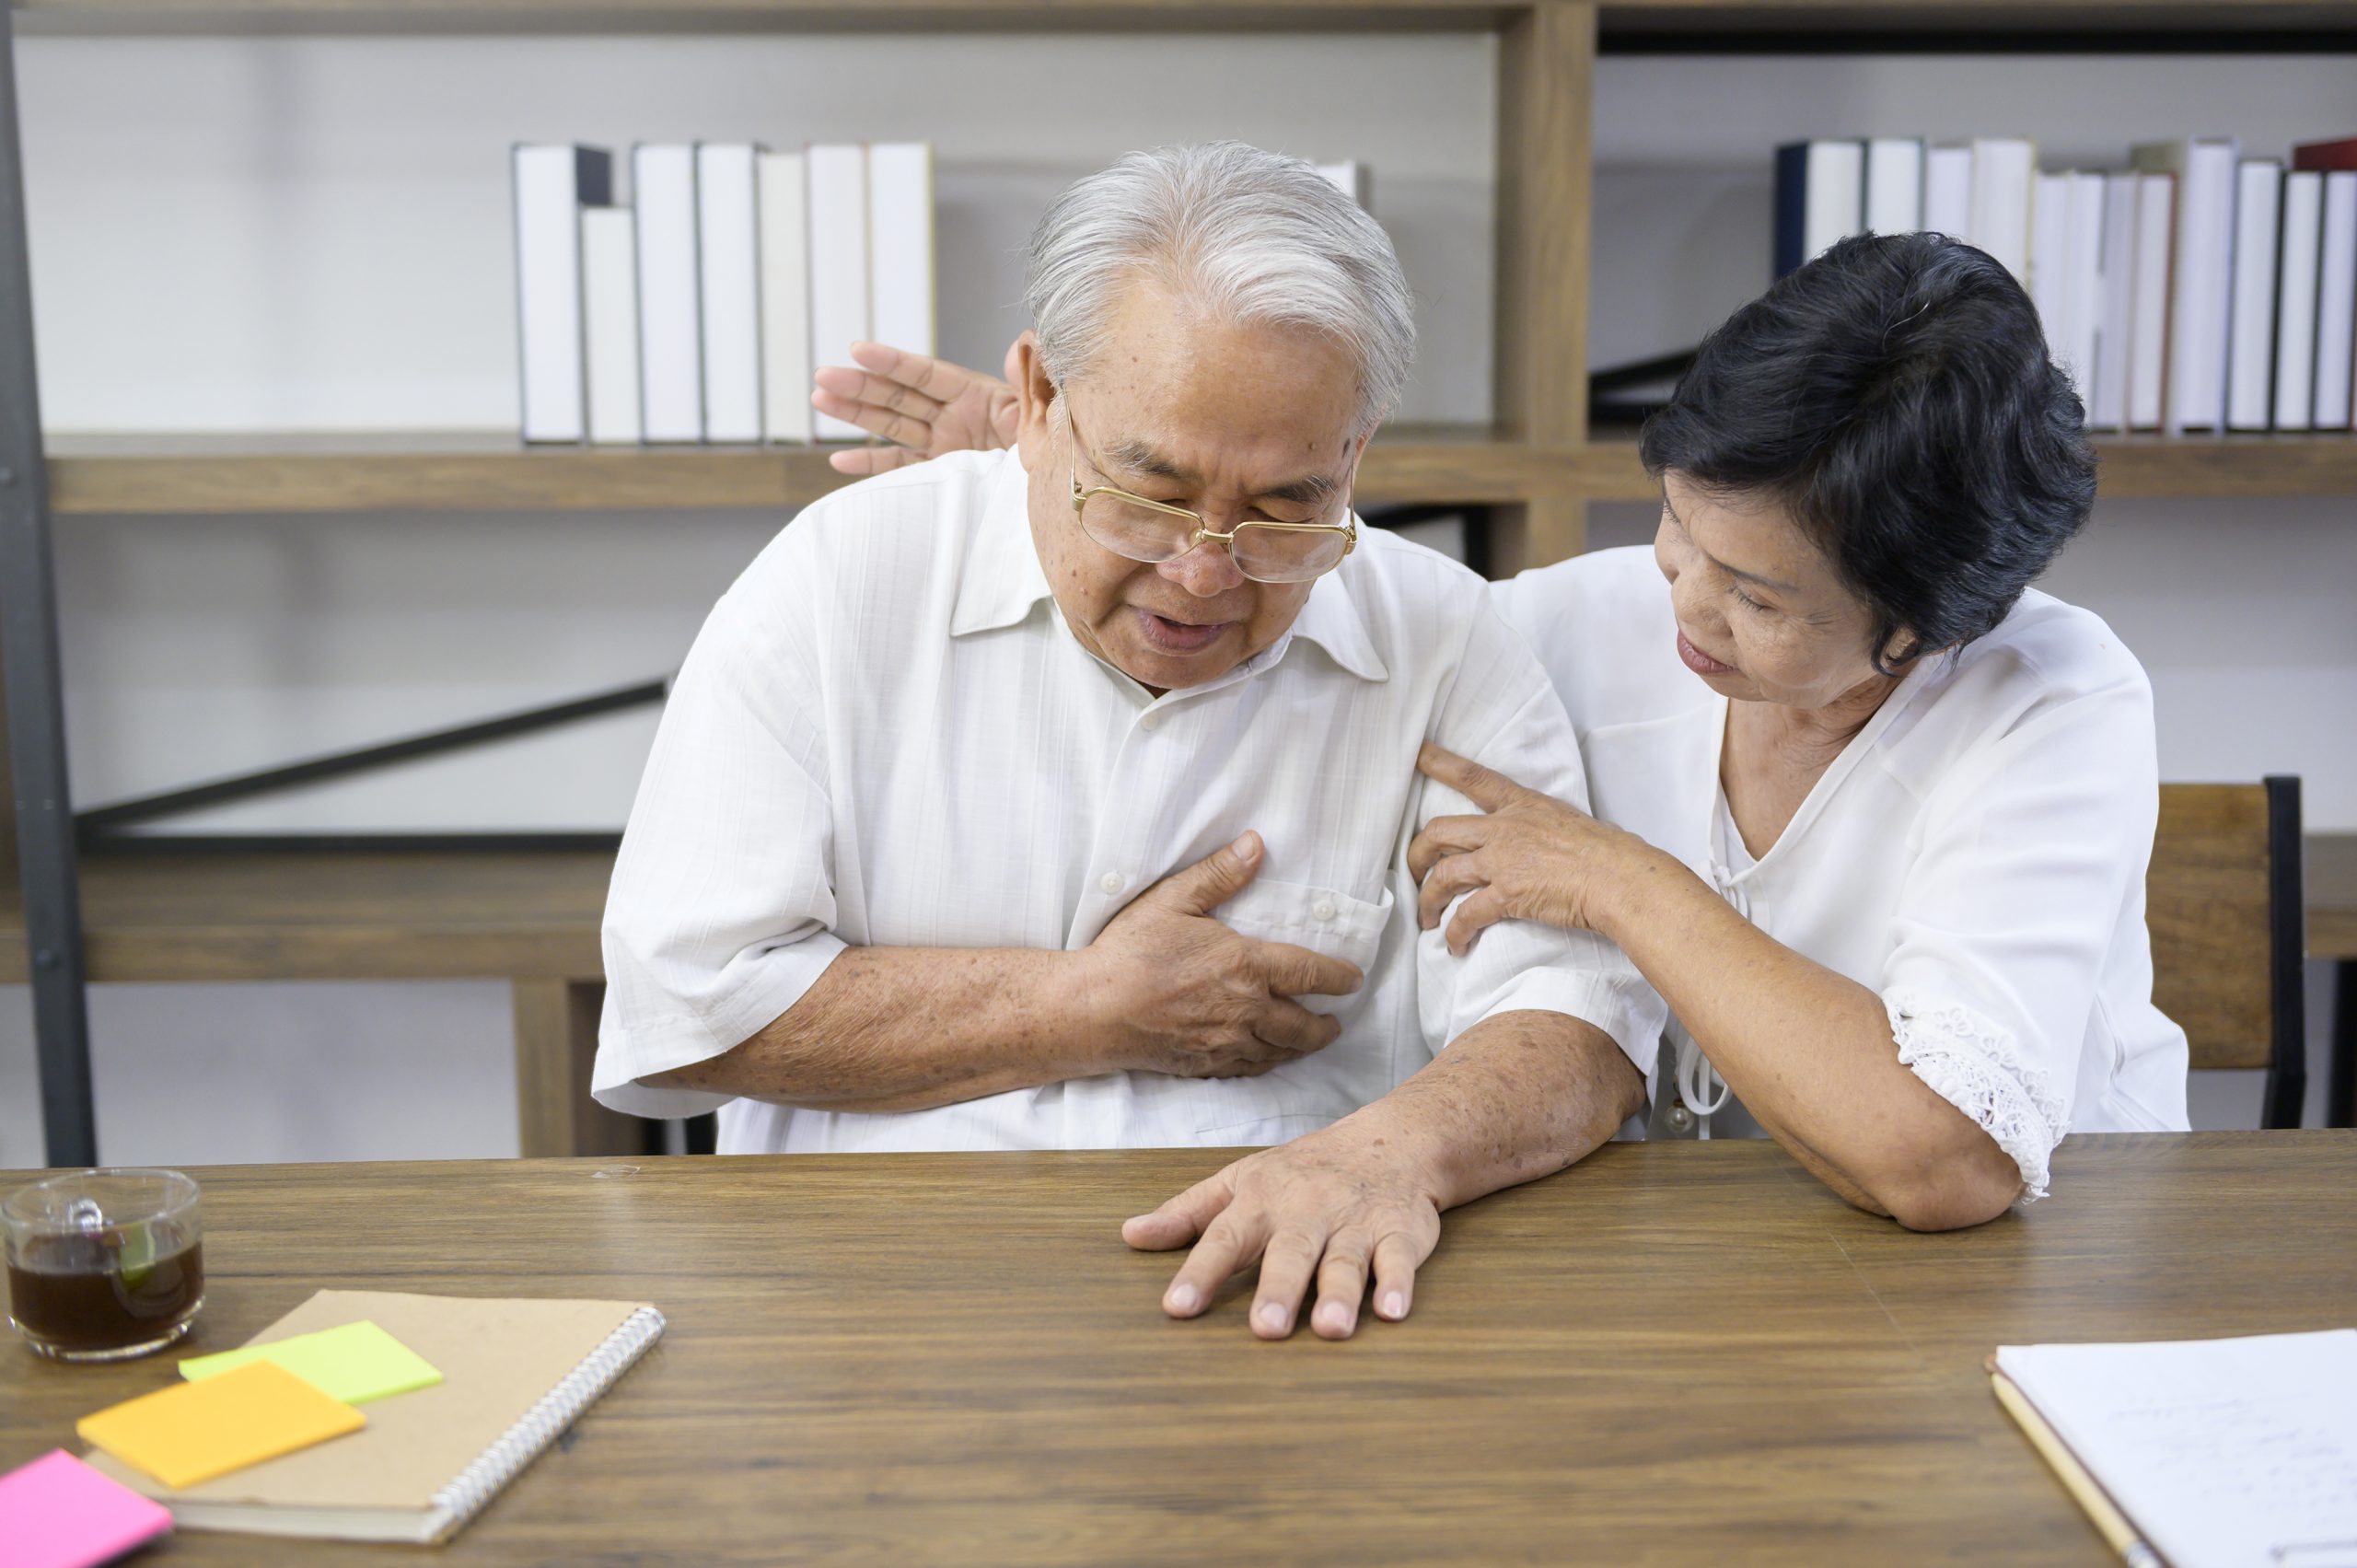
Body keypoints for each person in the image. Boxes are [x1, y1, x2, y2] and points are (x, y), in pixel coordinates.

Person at [810, 229, 2192, 1245]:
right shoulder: (1580, 621)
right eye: (1679, 527)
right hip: (1679, 1256)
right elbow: (1332, 599)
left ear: (1930, 626)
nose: (1685, 603)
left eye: (1759, 595)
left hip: (2034, 1283)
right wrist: (1089, 471)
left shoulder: (2054, 699)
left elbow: (1940, 1161)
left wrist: (1619, 879)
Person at [594, 142, 1663, 1342]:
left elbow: (1581, 1026)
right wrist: (1081, 1005)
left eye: (1283, 509)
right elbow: (685, 1005)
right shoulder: (841, 583)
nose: (1203, 572)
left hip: (1296, 1295)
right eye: (1148, 495)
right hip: (863, 1304)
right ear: (1038, 401)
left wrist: (1387, 1156)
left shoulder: (1443, 639)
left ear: (1355, 456)